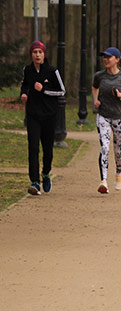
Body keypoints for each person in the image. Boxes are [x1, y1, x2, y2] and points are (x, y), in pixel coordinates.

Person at [19, 40, 65, 195]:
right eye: (34, 52)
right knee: (33, 148)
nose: (37, 55)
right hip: (32, 115)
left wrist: (44, 90)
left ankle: (45, 173)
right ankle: (34, 182)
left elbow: (61, 91)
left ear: (44, 54)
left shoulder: (52, 71)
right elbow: (25, 84)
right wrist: (24, 93)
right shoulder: (27, 70)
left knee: (47, 150)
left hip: (49, 116)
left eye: (40, 52)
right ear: (31, 54)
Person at [92, 47, 121, 194]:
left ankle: (119, 173)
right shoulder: (99, 76)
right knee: (104, 147)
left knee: (118, 150)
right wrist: (95, 100)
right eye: (104, 57)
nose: (105, 59)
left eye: (108, 57)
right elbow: (94, 87)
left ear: (117, 60)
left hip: (120, 117)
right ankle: (103, 181)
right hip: (104, 115)